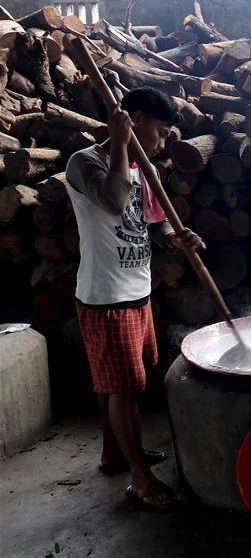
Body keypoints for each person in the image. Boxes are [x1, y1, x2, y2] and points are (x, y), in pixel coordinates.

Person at [66, 88, 205, 512]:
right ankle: (140, 480)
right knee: (123, 387)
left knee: (123, 381)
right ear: (135, 119)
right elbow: (114, 200)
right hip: (105, 295)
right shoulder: (85, 163)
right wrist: (122, 145)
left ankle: (113, 453)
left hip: (138, 290)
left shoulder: (146, 170)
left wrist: (175, 240)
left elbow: (154, 224)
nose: (162, 145)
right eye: (160, 133)